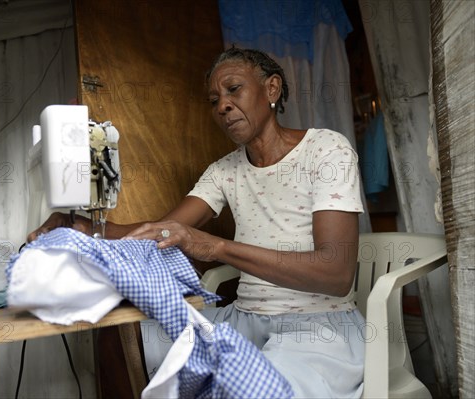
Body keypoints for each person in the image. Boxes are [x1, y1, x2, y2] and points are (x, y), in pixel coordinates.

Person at [28, 47, 365, 398]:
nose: (222, 105)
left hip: (317, 329)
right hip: (243, 321)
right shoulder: (224, 170)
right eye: (214, 99)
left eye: (234, 89)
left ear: (272, 89)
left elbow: (335, 274)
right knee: (122, 336)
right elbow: (162, 231)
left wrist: (217, 247)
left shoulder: (326, 150)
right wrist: (81, 225)